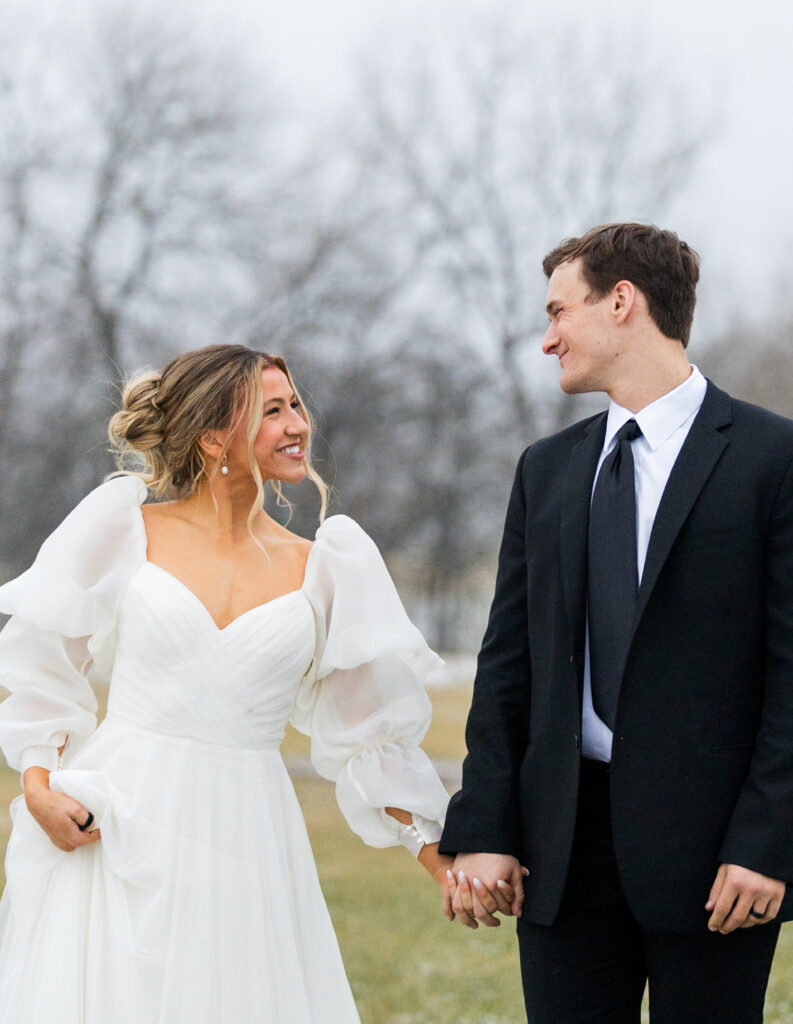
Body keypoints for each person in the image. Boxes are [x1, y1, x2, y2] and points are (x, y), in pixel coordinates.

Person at [0, 344, 455, 1023]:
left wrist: (443, 864)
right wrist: (38, 787)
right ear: (215, 435)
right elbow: (43, 661)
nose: (297, 424)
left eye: (295, 405)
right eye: (271, 411)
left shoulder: (326, 567)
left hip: (245, 837)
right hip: (118, 823)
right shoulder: (123, 526)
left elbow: (369, 741)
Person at [439, 223, 793, 1022]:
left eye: (559, 311)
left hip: (716, 860)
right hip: (561, 853)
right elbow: (507, 668)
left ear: (622, 302)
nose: (546, 338)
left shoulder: (773, 460)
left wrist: (766, 844)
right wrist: (487, 826)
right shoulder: (546, 471)